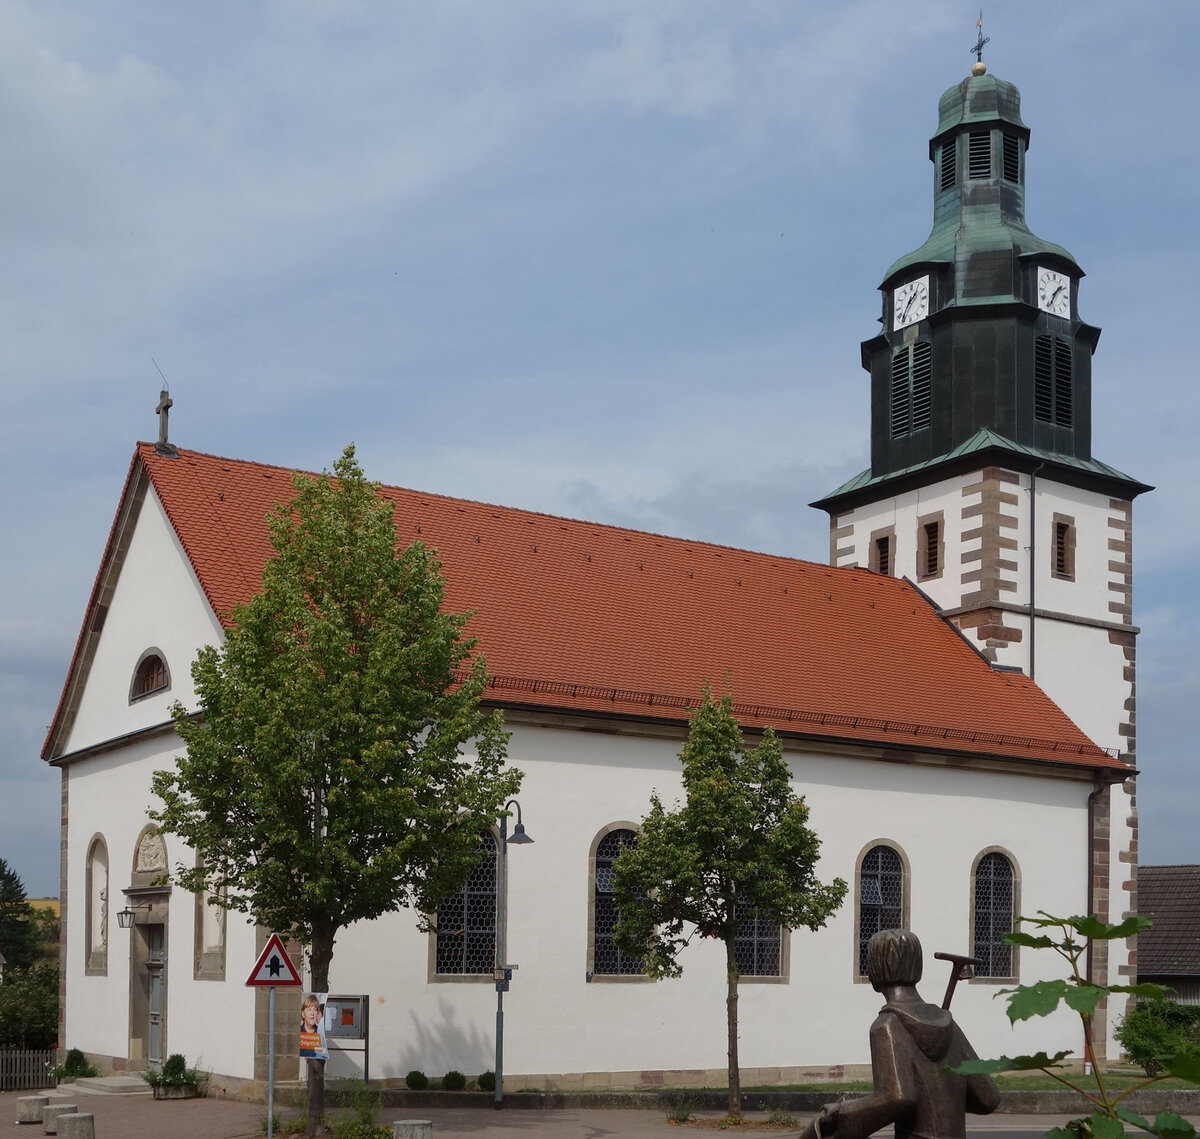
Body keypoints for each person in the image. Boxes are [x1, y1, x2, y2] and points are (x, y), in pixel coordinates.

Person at [804, 929, 999, 1139]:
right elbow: (988, 1096)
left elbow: (897, 1098)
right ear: (918, 968)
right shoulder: (948, 1023)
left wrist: (838, 1114)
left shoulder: (887, 1025)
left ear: (874, 970)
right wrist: (943, 1096)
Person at [299, 993, 329, 1061]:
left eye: (315, 1010)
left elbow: (323, 1052)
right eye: (309, 1009)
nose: (312, 1013)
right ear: (303, 1014)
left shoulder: (320, 1032)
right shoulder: (297, 1032)